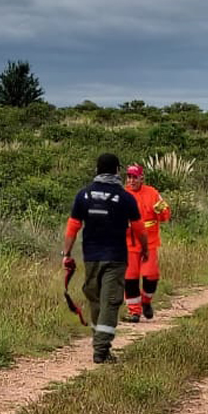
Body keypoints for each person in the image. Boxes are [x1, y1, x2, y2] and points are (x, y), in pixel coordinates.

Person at [62, 152, 148, 364]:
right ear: (117, 171)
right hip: (116, 258)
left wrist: (66, 254)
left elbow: (73, 227)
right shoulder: (125, 197)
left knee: (96, 301)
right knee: (109, 302)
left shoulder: (83, 195)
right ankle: (101, 350)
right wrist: (145, 248)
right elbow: (139, 228)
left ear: (96, 170)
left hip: (90, 257)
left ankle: (99, 343)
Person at [123, 163, 171, 321]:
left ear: (141, 178)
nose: (131, 180)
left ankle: (146, 301)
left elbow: (165, 214)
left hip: (149, 243)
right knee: (130, 278)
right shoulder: (121, 195)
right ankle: (134, 311)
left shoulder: (152, 193)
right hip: (129, 244)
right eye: (129, 177)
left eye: (134, 177)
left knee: (151, 276)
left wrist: (161, 211)